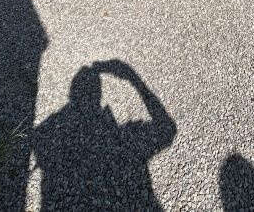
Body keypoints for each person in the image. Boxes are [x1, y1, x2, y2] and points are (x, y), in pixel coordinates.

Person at [33, 59, 176, 210]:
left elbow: (167, 131)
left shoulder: (48, 128)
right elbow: (166, 130)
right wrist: (134, 80)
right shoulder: (125, 137)